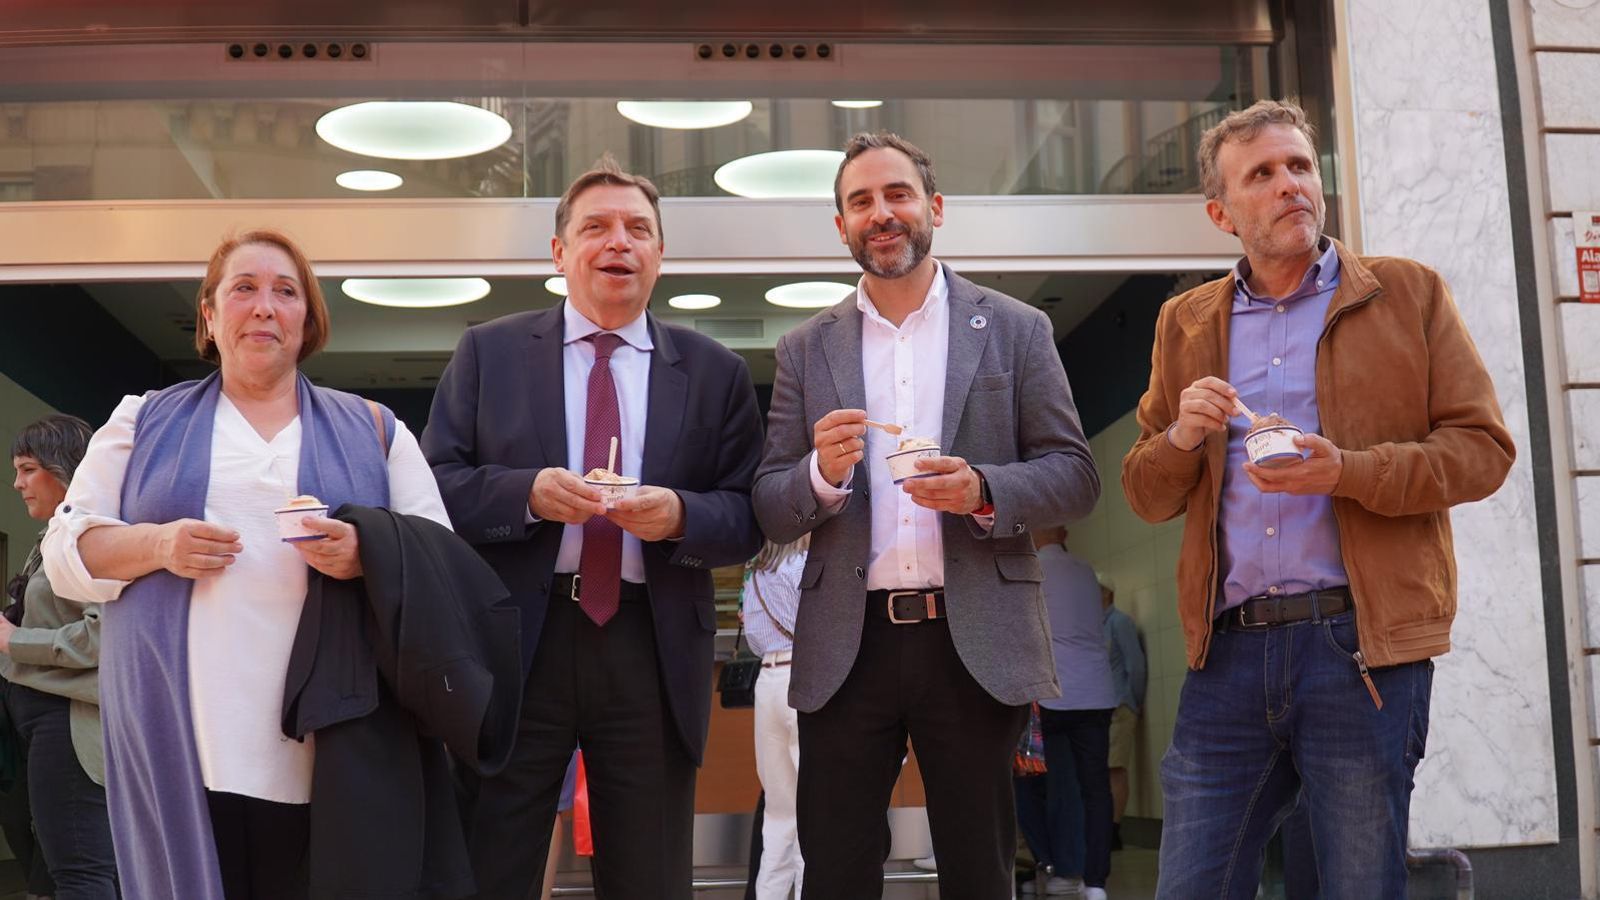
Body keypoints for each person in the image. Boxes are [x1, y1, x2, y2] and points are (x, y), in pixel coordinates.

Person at [1120, 99, 1515, 899]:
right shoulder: (1185, 322)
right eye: (1260, 175)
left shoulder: (1407, 294)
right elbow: (1145, 492)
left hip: (1359, 651)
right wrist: (1182, 440)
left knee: (1355, 887)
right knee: (1191, 886)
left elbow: (1483, 453)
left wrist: (1348, 471)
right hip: (1226, 656)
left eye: (1299, 166)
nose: (1288, 184)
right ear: (1220, 211)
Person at [41, 229, 453, 900]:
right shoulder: (140, 422)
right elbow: (66, 557)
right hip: (183, 737)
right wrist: (159, 545)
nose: (265, 307)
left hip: (336, 743)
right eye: (244, 289)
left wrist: (366, 553)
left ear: (307, 320)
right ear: (209, 315)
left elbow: (440, 559)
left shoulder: (376, 428)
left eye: (286, 292)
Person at [752, 132, 1100, 899]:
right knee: (836, 872)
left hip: (972, 638)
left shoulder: (1016, 328)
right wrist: (821, 473)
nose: (881, 213)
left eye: (897, 194)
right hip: (848, 644)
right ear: (841, 226)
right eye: (861, 202)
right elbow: (772, 507)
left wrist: (982, 489)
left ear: (933, 208)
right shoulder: (805, 349)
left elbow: (1075, 477)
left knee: (980, 870)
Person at [422, 154, 764, 900]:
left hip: (652, 644)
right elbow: (434, 490)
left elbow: (747, 515)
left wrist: (679, 514)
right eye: (597, 227)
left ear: (660, 253)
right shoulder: (490, 353)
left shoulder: (715, 373)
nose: (620, 242)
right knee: (492, 862)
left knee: (649, 874)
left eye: (639, 228)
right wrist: (527, 495)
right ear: (559, 252)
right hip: (518, 646)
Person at [2, 414, 117, 898]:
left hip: (71, 727)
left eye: (28, 469)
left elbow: (103, 638)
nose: (17, 483)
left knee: (79, 873)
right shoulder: (51, 539)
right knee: (53, 873)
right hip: (43, 726)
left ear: (64, 468)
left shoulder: (91, 537)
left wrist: (11, 641)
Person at [1014, 527, 1114, 900]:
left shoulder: (1032, 568)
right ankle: (1096, 881)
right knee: (1095, 790)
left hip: (1053, 693)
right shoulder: (1086, 570)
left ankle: (1058, 867)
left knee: (1048, 785)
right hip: (1097, 692)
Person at [742, 536, 808, 900]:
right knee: (810, 815)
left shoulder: (754, 573)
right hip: (802, 681)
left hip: (768, 681)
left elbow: (754, 641)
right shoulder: (803, 567)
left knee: (779, 816)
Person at [1100, 576, 1145, 850]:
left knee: (1116, 767)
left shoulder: (1119, 622)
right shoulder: (1097, 626)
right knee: (1103, 770)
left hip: (1120, 705)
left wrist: (1132, 702)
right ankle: (1106, 826)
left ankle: (1114, 828)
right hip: (1103, 708)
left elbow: (1136, 665)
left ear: (1107, 594)